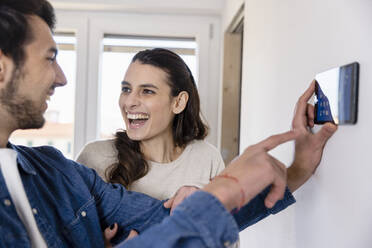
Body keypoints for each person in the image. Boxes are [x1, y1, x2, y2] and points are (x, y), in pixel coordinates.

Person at [0, 0, 337, 247]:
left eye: (147, 91)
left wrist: (299, 166)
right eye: (50, 58)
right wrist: (225, 188)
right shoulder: (90, 159)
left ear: (179, 103)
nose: (61, 78)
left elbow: (164, 221)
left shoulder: (54, 170)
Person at [77, 48, 224, 206]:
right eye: (126, 89)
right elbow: (69, 225)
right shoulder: (95, 157)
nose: (129, 102)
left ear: (178, 102)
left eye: (147, 91)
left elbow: (222, 228)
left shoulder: (207, 159)